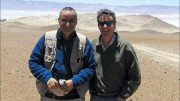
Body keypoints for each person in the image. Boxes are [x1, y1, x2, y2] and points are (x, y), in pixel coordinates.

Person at [28, 7, 96, 101]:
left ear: (76, 22)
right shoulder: (47, 38)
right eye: (64, 20)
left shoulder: (83, 42)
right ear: (59, 20)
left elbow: (90, 67)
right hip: (49, 96)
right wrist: (48, 78)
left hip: (75, 97)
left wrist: (73, 82)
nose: (68, 24)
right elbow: (33, 62)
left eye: (71, 21)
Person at [89, 8, 141, 101]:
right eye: (101, 23)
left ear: (114, 25)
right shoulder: (93, 46)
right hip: (96, 97)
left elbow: (135, 77)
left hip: (116, 98)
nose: (105, 26)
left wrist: (122, 96)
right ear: (98, 26)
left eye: (109, 23)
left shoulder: (125, 47)